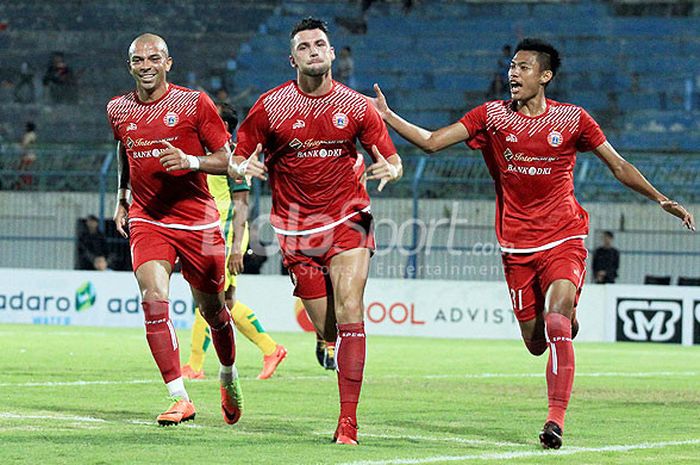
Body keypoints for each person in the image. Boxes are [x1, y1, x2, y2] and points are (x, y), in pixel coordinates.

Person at [370, 37, 695, 449]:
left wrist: (660, 198)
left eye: (523, 67)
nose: (513, 74)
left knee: (556, 319)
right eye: (511, 67)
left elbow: (618, 165)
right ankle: (563, 320)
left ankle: (554, 421)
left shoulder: (574, 119)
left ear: (545, 76)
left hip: (565, 237)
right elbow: (433, 142)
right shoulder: (490, 116)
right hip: (516, 247)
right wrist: (388, 116)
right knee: (536, 342)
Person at [229, 17, 402, 445]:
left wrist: (391, 168)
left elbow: (392, 159)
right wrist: (242, 165)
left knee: (351, 313)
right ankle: (325, 342)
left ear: (331, 53)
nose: (312, 51)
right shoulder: (270, 107)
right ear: (293, 59)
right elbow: (236, 157)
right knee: (328, 328)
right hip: (295, 229)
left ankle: (348, 424)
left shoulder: (357, 106)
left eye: (319, 44)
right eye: (304, 47)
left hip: (348, 220)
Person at [106, 33, 243, 427]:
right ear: (129, 65)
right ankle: (179, 397)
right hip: (149, 218)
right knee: (153, 298)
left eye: (154, 58)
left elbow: (228, 161)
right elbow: (123, 148)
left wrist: (191, 161)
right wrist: (122, 195)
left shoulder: (194, 103)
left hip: (198, 220)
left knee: (214, 311)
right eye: (138, 60)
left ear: (169, 62)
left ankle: (228, 376)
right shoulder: (117, 108)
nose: (146, 65)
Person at [182, 101, 287, 381]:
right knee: (224, 302)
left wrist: (237, 248)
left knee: (208, 301)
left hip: (225, 234)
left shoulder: (233, 158)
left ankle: (194, 365)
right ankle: (270, 349)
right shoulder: (210, 153)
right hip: (209, 232)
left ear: (224, 126)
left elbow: (241, 205)